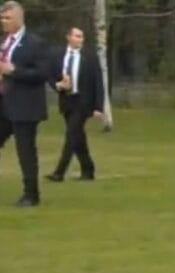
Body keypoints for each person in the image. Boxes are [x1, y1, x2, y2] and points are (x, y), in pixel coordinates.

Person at [0, 1, 48, 207]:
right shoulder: (4, 42)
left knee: (25, 150)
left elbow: (42, 73)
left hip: (25, 105)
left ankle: (31, 194)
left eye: (7, 18)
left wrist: (14, 71)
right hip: (4, 103)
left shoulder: (34, 43)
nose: (3, 22)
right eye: (2, 18)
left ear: (19, 19)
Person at [46, 27, 105, 182]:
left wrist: (99, 107)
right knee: (78, 136)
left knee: (71, 135)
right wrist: (58, 85)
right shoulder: (58, 55)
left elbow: (98, 82)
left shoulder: (90, 57)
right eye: (77, 36)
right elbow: (49, 75)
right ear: (68, 37)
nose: (80, 39)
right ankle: (88, 169)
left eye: (81, 36)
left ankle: (59, 172)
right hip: (66, 101)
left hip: (83, 102)